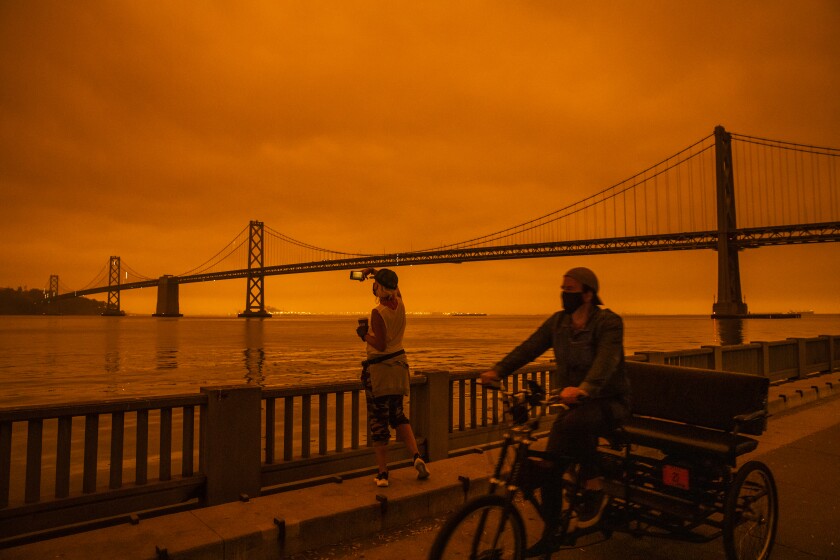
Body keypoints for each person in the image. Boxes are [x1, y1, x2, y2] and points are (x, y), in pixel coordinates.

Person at [480, 266, 630, 556]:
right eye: (562, 289)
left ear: (588, 294)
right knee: (549, 464)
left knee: (571, 426)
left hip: (608, 402)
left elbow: (607, 360)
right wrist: (498, 370)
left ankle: (594, 483)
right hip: (573, 404)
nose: (564, 295)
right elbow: (529, 348)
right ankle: (552, 531)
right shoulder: (559, 323)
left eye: (570, 290)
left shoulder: (608, 323)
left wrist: (585, 387)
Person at [356, 267, 430, 488]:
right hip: (400, 367)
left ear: (378, 287)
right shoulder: (401, 303)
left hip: (380, 370)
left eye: (375, 284)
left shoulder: (378, 312)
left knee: (379, 422)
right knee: (398, 415)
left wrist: (363, 335)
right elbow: (395, 287)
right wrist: (377, 271)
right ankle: (416, 456)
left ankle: (383, 474)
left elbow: (379, 344)